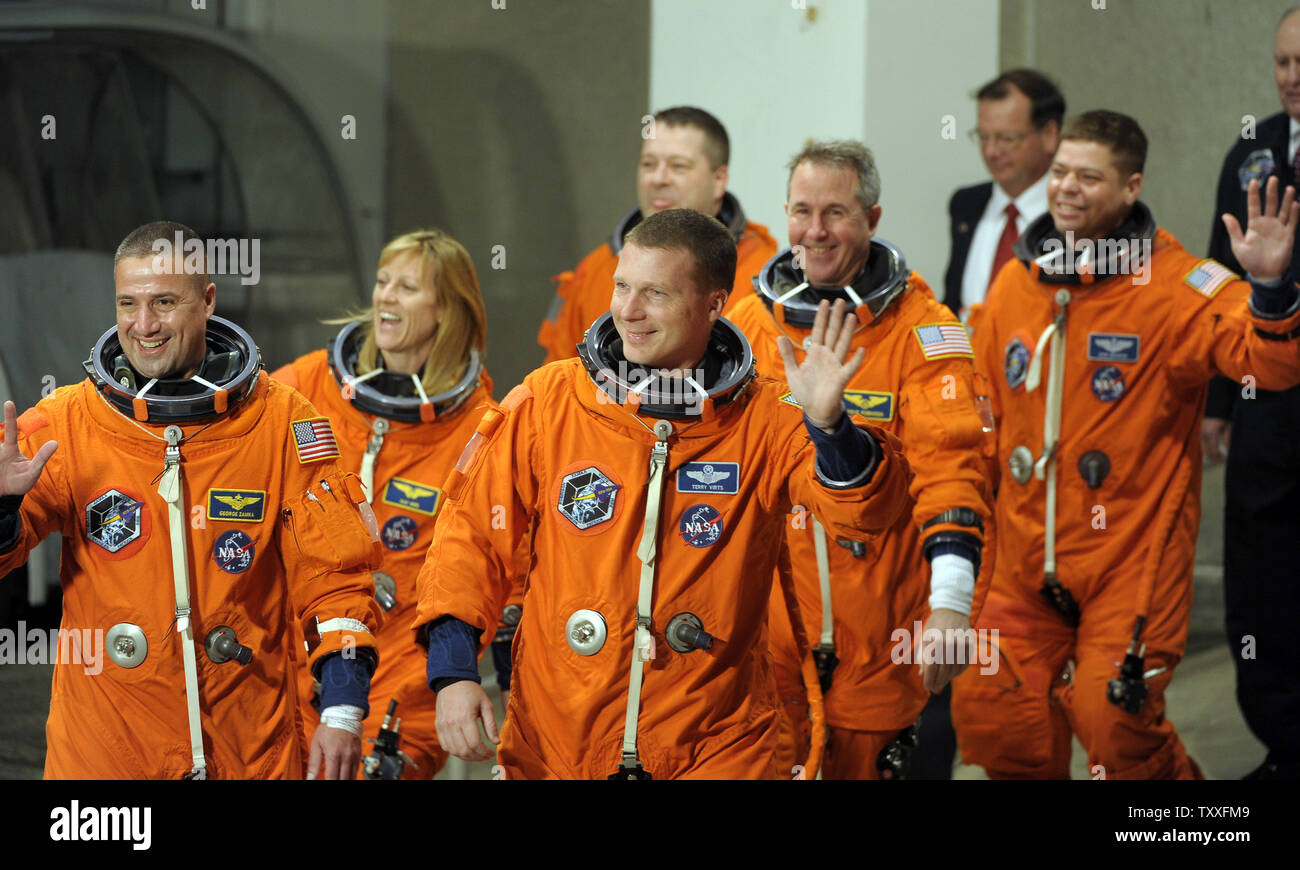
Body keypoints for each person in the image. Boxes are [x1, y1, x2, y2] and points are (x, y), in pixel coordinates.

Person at [417, 208, 913, 780]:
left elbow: (866, 515)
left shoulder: (765, 418)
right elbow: (468, 536)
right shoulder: (551, 401)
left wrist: (831, 429)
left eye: (654, 292)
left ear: (713, 305)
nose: (628, 311)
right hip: (557, 743)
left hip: (716, 743)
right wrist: (454, 673)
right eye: (622, 286)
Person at [950, 111, 1300, 779]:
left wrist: (1272, 289)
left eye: (1090, 176)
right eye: (1059, 173)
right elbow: (982, 410)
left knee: (1115, 720)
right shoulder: (1018, 283)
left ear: (1131, 186)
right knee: (994, 713)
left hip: (1130, 557)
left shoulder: (1175, 286)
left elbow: (1272, 364)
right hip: (1022, 558)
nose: (1067, 189)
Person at [0, 221, 382, 779]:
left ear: (207, 302)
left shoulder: (281, 423)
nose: (143, 325)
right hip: (105, 759)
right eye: (127, 303)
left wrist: (343, 711)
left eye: (164, 302)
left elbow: (336, 580)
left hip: (249, 749)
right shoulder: (68, 423)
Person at [728, 140, 995, 779]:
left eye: (835, 213)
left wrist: (952, 605)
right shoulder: (748, 327)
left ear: (873, 219)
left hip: (876, 639)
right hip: (764, 641)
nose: (814, 231)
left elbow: (951, 470)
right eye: (801, 211)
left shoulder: (925, 335)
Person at [273, 228, 519, 780]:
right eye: (383, 281)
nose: (385, 296)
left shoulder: (482, 427)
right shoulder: (309, 384)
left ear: (446, 311)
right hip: (297, 664)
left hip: (404, 682)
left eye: (407, 287)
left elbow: (502, 562)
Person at [1200, 7, 1300, 781]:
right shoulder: (1253, 147)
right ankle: (1282, 738)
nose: (1291, 77)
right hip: (1267, 394)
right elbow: (1217, 274)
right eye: (1282, 62)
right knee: (1262, 567)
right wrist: (1218, 400)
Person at [537, 106, 777, 363]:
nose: (658, 178)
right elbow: (561, 384)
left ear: (719, 179)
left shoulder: (766, 282)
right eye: (649, 164)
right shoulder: (593, 272)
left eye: (678, 166)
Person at [944, 69, 1064, 317]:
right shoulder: (966, 205)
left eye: (1006, 138)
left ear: (1049, 136)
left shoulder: (1073, 212)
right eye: (983, 136)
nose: (990, 151)